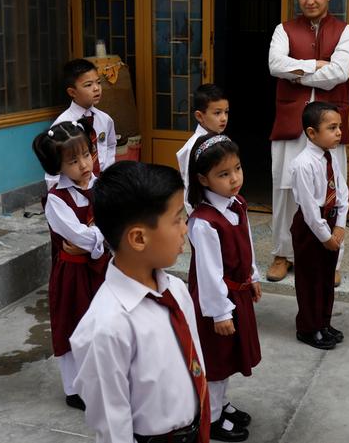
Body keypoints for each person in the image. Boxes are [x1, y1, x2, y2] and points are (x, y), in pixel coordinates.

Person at [70, 161, 211, 443]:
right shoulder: (106, 328)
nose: (185, 228)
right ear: (138, 238)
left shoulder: (176, 292)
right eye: (177, 219)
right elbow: (113, 426)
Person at [267, 0, 349, 284]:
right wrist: (315, 64)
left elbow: (339, 72)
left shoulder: (346, 32)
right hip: (291, 121)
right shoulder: (284, 29)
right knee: (285, 190)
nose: (310, 0)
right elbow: (275, 64)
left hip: (330, 125)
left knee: (331, 190)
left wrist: (297, 71)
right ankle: (283, 253)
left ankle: (331, 259)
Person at [186, 134, 262, 442]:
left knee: (230, 355)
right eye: (223, 174)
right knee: (216, 359)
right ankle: (211, 417)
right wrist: (219, 313)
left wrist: (253, 276)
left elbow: (248, 245)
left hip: (236, 293)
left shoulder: (238, 204)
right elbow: (208, 273)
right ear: (203, 178)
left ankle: (221, 402)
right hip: (216, 301)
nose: (234, 179)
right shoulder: (204, 222)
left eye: (237, 169)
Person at [32, 121, 110, 411]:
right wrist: (99, 237)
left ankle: (100, 378)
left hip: (101, 268)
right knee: (72, 321)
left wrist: (95, 239)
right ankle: (74, 387)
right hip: (72, 273)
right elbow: (78, 237)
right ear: (57, 166)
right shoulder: (56, 200)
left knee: (102, 323)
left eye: (87, 155)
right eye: (73, 160)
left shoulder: (101, 186)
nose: (84, 164)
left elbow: (110, 225)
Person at [289, 102, 348, 350]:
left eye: (339, 127)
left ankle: (323, 323)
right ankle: (308, 327)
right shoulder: (303, 164)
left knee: (326, 276)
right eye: (332, 127)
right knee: (310, 278)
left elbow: (342, 191)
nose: (338, 133)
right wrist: (325, 236)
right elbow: (310, 208)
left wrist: (341, 226)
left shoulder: (330, 156)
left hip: (331, 221)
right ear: (312, 133)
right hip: (310, 227)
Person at [47, 58, 116, 187]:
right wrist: (58, 193)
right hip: (75, 188)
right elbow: (53, 166)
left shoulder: (105, 119)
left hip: (103, 185)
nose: (96, 88)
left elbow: (110, 145)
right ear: (72, 92)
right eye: (88, 85)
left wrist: (108, 174)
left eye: (98, 82)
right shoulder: (62, 124)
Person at [177, 84, 229, 215]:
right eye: (217, 113)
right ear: (200, 116)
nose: (223, 118)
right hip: (205, 215)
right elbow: (189, 187)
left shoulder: (222, 140)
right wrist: (197, 218)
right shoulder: (192, 147)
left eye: (226, 112)